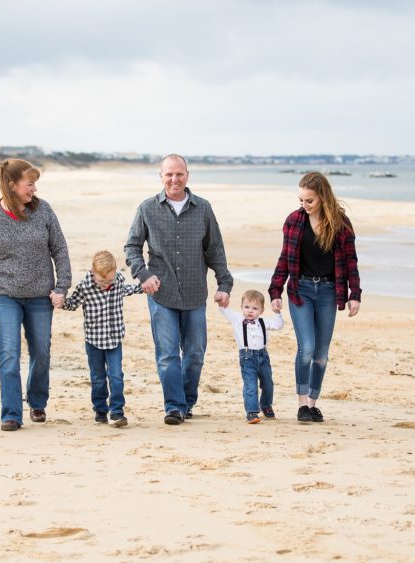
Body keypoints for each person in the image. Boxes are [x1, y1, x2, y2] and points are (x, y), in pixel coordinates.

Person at [124, 154, 233, 425]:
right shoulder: (147, 208)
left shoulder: (203, 208)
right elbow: (132, 247)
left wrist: (224, 284)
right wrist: (144, 275)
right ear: (161, 176)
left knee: (195, 354)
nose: (174, 179)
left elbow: (215, 250)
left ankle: (186, 401)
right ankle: (174, 406)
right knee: (168, 354)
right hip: (161, 294)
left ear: (187, 175)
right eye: (169, 174)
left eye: (179, 174)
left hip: (196, 294)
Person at [0, 158, 71, 432]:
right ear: (12, 185)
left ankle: (36, 401)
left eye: (35, 183)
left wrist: (62, 285)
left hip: (40, 295)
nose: (34, 188)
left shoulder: (44, 210)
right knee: (9, 354)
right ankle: (11, 413)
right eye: (30, 183)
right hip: (4, 295)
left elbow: (59, 248)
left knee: (41, 352)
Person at [268, 171, 361, 423]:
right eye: (301, 200)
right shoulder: (294, 221)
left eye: (309, 200)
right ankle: (301, 404)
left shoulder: (341, 224)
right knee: (306, 348)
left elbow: (351, 262)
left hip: (329, 292)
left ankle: (312, 404)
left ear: (322, 197)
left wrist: (355, 294)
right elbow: (284, 258)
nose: (304, 205)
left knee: (321, 353)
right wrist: (275, 291)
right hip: (301, 291)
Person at [58, 250, 144, 427]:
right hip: (94, 341)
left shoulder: (118, 281)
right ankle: (100, 409)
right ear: (93, 272)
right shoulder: (85, 287)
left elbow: (129, 289)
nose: (106, 284)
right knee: (98, 377)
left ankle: (117, 412)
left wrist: (144, 287)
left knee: (116, 376)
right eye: (102, 281)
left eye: (109, 281)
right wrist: (59, 302)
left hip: (114, 340)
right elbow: (72, 304)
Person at [218, 289, 284, 424]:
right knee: (250, 385)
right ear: (241, 307)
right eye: (247, 307)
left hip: (263, 356)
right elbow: (225, 311)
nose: (250, 311)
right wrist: (221, 302)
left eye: (255, 308)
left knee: (268, 384)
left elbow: (278, 325)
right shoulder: (238, 319)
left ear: (261, 310)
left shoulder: (263, 322)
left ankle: (266, 405)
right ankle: (252, 411)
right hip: (247, 357)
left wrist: (277, 313)